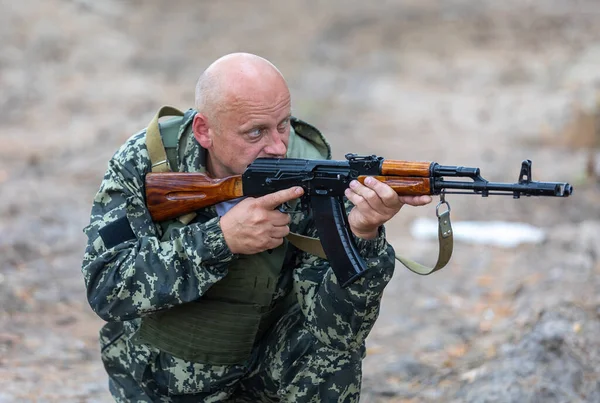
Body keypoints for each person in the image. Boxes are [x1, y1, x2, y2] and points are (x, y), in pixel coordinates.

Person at [81, 52, 432, 402]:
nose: (278, 146)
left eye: (283, 124)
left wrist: (362, 234)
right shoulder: (146, 165)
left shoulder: (309, 169)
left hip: (264, 366)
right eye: (255, 132)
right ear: (205, 130)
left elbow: (339, 329)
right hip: (166, 378)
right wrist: (219, 239)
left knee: (330, 354)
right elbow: (105, 287)